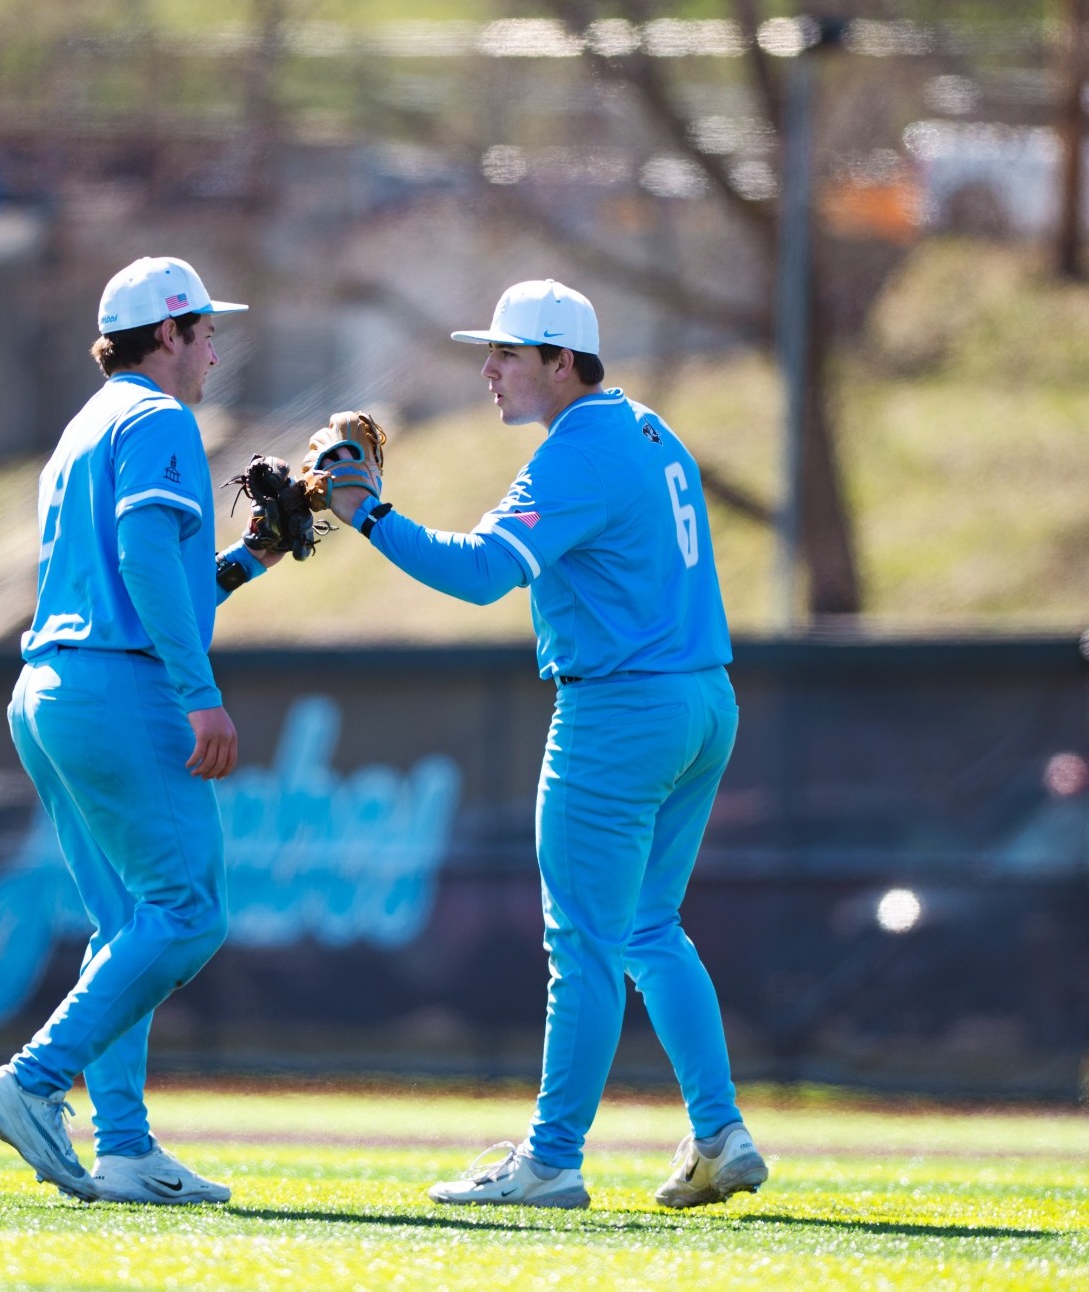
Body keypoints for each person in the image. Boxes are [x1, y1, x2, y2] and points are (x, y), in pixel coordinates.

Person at [320, 279, 767, 1210]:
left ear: (562, 362)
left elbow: (484, 573)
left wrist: (367, 513)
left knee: (584, 941)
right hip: (701, 699)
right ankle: (719, 1132)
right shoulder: (646, 427)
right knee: (646, 928)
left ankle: (551, 1160)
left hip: (621, 711)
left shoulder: (580, 448)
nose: (488, 370)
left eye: (507, 354)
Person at [0, 256, 280, 1206]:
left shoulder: (86, 426)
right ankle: (32, 1080)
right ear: (168, 334)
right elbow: (143, 562)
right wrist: (199, 693)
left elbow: (156, 578)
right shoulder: (159, 417)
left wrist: (252, 558)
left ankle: (127, 1148)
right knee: (188, 913)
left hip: (49, 686)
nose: (214, 348)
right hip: (117, 684)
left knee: (127, 926)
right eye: (205, 331)